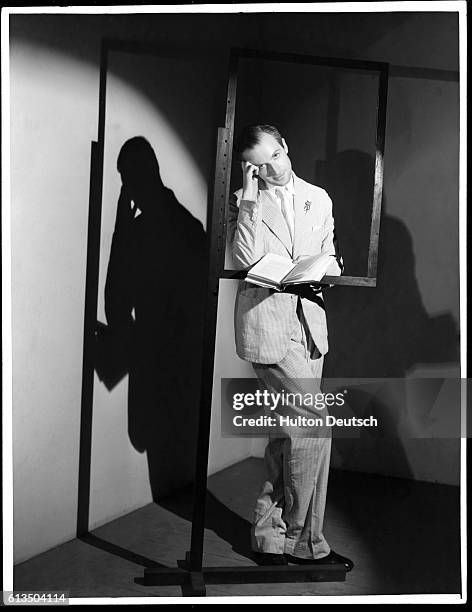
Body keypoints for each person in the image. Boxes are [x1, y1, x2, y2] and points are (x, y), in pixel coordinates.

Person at [227, 124, 353, 570]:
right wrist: (247, 193)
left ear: (286, 147)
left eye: (274, 158)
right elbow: (244, 259)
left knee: (291, 434)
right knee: (313, 426)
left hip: (309, 324)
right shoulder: (249, 200)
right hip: (268, 325)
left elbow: (328, 252)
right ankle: (305, 541)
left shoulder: (318, 197)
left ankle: (271, 538)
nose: (271, 171)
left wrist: (326, 268)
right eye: (258, 167)